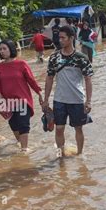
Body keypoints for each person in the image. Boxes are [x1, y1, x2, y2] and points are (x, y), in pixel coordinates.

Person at [42, 25, 93, 156]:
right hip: (59, 100)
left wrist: (88, 101)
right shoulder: (54, 58)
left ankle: (80, 155)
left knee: (78, 129)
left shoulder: (81, 58)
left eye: (63, 38)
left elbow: (88, 79)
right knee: (58, 129)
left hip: (77, 100)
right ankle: (61, 156)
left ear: (71, 38)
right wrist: (45, 100)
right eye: (59, 37)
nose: (60, 40)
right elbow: (49, 78)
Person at [0, 40, 43, 152]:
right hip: (8, 102)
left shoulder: (21, 64)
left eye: (4, 48)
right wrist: (0, 96)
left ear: (11, 49)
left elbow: (31, 80)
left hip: (23, 100)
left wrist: (39, 93)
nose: (2, 51)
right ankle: (20, 143)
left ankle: (24, 150)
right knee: (13, 125)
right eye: (0, 49)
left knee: (23, 124)